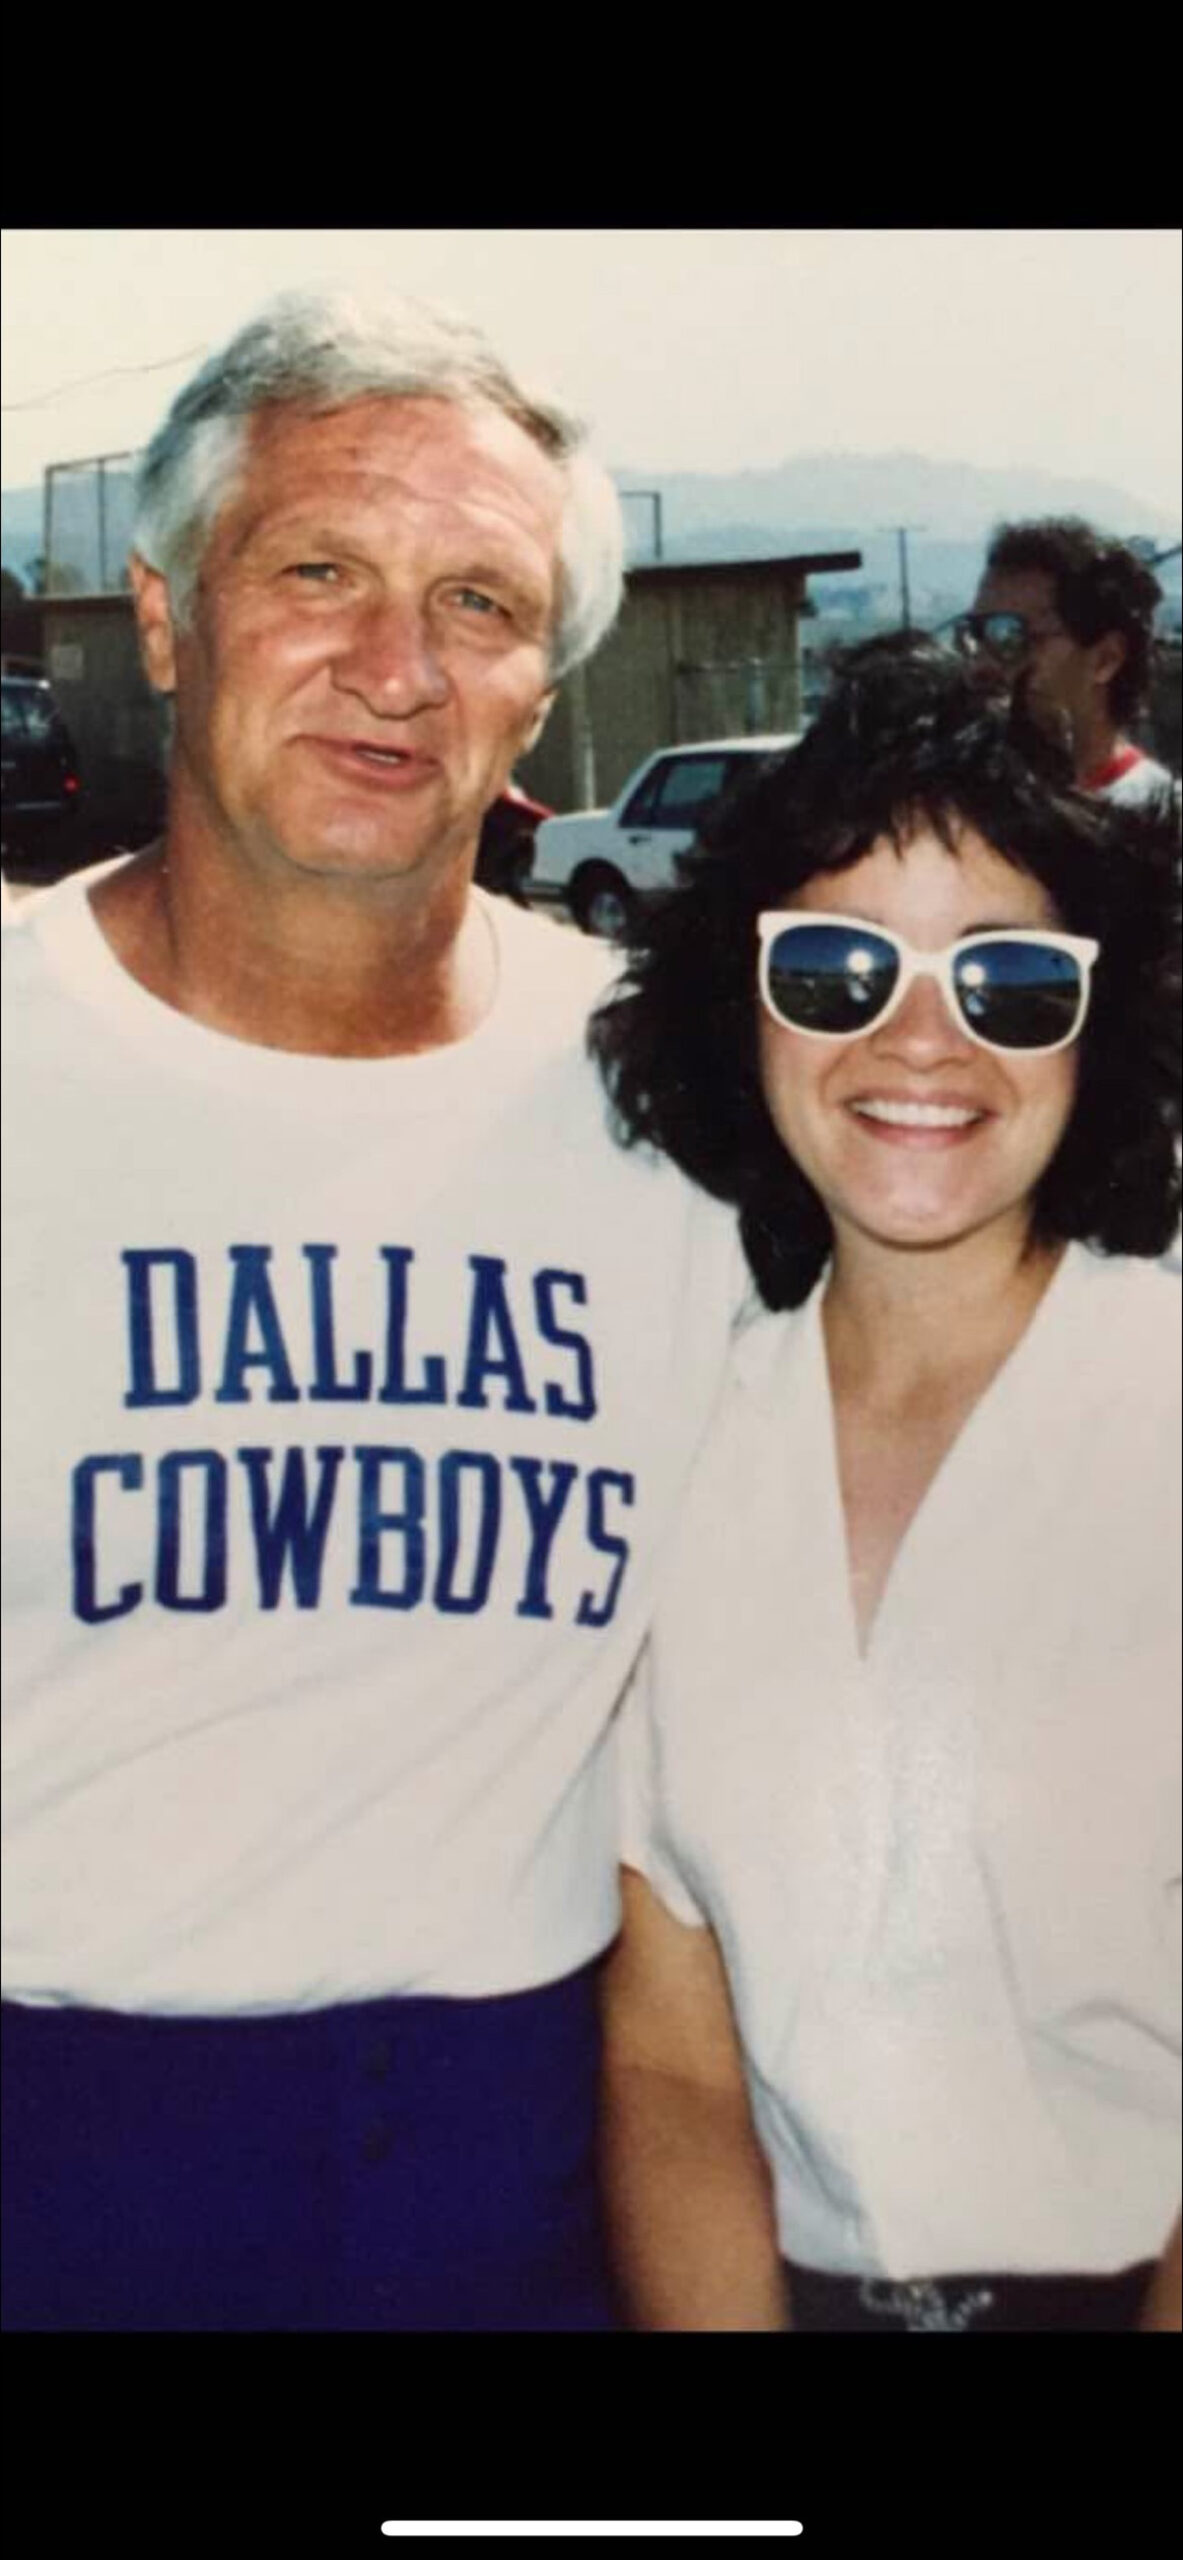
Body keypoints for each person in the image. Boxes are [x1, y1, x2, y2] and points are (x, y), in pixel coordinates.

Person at [0, 289, 744, 2333]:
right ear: (164, 618)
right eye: (318, 570)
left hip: (520, 2168)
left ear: (542, 693)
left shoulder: (686, 1100)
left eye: (481, 603)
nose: (396, 668)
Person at [590, 639, 1181, 2332]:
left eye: (1004, 983)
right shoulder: (680, 1438)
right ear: (741, 1001)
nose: (920, 1044)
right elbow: (673, 2066)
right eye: (838, 968)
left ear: (1094, 1023)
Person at [955, 516, 1177, 809]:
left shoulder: (1163, 831)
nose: (980, 665)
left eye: (1009, 636)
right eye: (975, 635)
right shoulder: (943, 815)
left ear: (1105, 659)